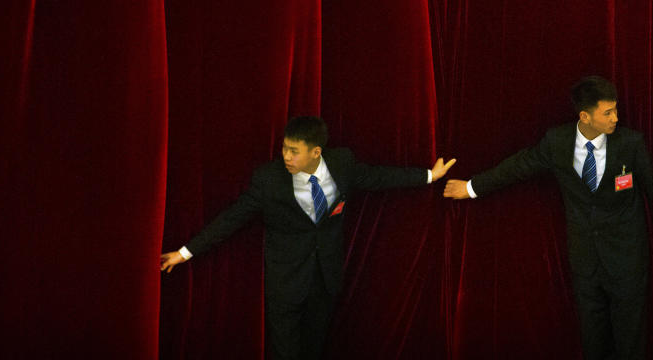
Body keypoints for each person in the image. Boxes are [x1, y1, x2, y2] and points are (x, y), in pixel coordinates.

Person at [443, 76, 653, 360]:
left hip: (627, 256)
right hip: (584, 257)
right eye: (608, 113)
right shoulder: (557, 142)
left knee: (631, 335)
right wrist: (471, 188)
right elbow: (517, 167)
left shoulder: (630, 143)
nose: (616, 117)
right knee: (592, 333)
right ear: (585, 116)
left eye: (616, 110)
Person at [161, 115, 456, 360]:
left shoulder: (342, 163)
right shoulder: (269, 180)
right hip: (286, 283)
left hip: (325, 279)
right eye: (285, 148)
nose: (286, 156)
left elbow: (379, 177)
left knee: (314, 349)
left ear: (316, 152)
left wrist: (429, 175)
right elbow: (232, 218)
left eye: (294, 151)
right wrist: (185, 252)